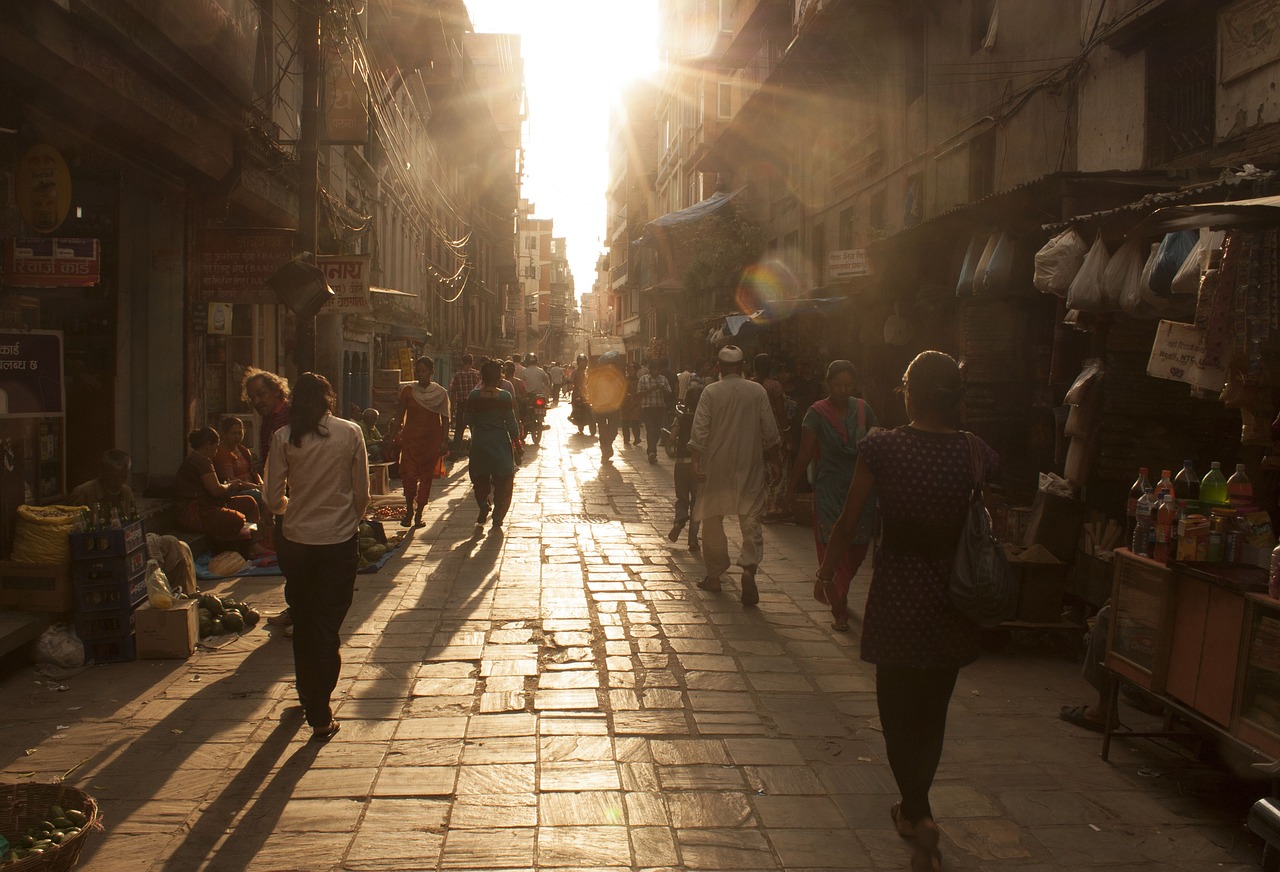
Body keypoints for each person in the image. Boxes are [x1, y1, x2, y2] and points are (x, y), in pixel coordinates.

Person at [816, 350, 997, 872]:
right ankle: (917, 808)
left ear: (908, 393)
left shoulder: (882, 447)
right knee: (932, 712)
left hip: (896, 593)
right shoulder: (973, 452)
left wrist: (827, 571)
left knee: (896, 712)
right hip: (952, 598)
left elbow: (850, 520)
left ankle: (915, 809)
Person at [264, 372, 369, 744]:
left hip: (296, 541)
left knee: (305, 621)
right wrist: (348, 522)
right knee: (325, 626)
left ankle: (308, 694)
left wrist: (291, 510)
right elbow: (362, 494)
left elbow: (271, 496)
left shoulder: (284, 437)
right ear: (329, 399)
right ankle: (320, 711)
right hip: (338, 542)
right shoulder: (350, 432)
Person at [785, 360, 878, 631]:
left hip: (861, 488)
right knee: (831, 545)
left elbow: (877, 436)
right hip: (828, 488)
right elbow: (804, 453)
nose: (843, 390)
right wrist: (791, 488)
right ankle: (839, 608)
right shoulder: (816, 413)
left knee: (858, 548)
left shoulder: (863, 408)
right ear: (828, 384)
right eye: (838, 385)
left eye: (848, 386)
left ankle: (837, 591)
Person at [689, 345, 781, 605]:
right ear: (743, 367)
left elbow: (700, 430)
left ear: (718, 367)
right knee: (751, 519)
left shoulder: (711, 391)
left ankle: (715, 577)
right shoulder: (757, 391)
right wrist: (774, 462)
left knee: (712, 518)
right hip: (749, 463)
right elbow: (770, 432)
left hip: (716, 464)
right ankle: (749, 567)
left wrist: (696, 461)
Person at [68, 450, 197, 594]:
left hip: (126, 545)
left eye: (122, 476)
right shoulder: (83, 493)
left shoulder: (126, 492)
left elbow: (133, 523)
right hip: (98, 551)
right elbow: (72, 530)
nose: (117, 481)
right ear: (102, 473)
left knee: (174, 544)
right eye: (112, 476)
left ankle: (179, 595)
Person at [242, 367, 293, 625]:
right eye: (253, 397)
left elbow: (282, 465)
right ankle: (294, 608)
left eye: (262, 394)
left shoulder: (284, 417)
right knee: (287, 554)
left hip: (290, 496)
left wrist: (271, 505)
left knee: (290, 553)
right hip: (280, 496)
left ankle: (297, 610)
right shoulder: (270, 419)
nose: (257, 401)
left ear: (276, 390)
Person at [175, 427, 270, 557]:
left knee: (250, 503)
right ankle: (236, 549)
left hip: (207, 506)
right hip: (195, 512)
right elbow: (216, 490)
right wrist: (231, 486)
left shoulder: (201, 459)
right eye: (215, 447)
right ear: (208, 445)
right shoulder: (201, 460)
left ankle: (255, 545)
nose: (216, 451)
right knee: (237, 519)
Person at [465, 360, 522, 532]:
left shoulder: (474, 396)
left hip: (480, 441)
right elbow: (511, 424)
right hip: (499, 442)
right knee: (503, 480)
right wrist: (517, 444)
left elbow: (467, 419)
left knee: (479, 476)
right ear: (499, 377)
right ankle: (497, 516)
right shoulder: (504, 396)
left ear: (482, 377)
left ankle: (483, 503)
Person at [395, 356, 450, 528]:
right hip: (410, 440)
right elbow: (399, 415)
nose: (421, 374)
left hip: (431, 443)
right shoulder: (408, 391)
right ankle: (409, 509)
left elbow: (446, 418)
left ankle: (419, 514)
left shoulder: (440, 393)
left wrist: (444, 441)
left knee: (426, 478)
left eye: (424, 371)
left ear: (432, 372)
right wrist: (390, 436)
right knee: (409, 476)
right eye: (418, 371)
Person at [753, 353, 792, 522]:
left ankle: (760, 505)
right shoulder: (774, 386)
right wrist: (787, 430)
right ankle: (773, 505)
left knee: (760, 467)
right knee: (778, 466)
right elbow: (781, 411)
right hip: (774, 429)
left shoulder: (751, 384)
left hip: (755, 431)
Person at [669, 382, 705, 552]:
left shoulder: (680, 418)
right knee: (697, 503)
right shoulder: (705, 421)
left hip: (681, 464)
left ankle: (679, 520)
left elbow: (672, 437)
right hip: (698, 465)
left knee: (681, 498)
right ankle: (692, 540)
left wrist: (672, 446)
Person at [636, 361, 671, 464]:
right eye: (654, 369)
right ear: (650, 370)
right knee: (651, 429)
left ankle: (651, 449)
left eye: (658, 369)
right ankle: (652, 452)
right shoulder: (644, 379)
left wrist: (662, 389)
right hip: (648, 408)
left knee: (657, 431)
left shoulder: (663, 379)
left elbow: (669, 393)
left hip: (659, 408)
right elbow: (639, 394)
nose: (657, 371)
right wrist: (650, 390)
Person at [447, 353, 481, 456]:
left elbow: (453, 391)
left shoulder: (457, 375)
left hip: (461, 405)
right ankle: (475, 451)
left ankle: (455, 452)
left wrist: (452, 407)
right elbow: (481, 390)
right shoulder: (476, 374)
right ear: (472, 362)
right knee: (474, 429)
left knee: (459, 430)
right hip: (474, 406)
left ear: (463, 362)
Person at [621, 362, 642, 446]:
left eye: (633, 370)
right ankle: (626, 439)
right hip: (625, 404)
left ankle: (637, 438)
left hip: (635, 404)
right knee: (625, 423)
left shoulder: (639, 380)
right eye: (630, 370)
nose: (631, 372)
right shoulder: (624, 380)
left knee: (635, 423)